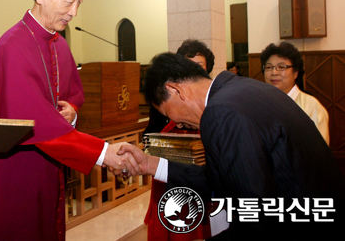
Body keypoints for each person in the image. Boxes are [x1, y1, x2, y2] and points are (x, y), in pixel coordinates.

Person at [0, 0, 137, 241]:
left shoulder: (58, 42)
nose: (73, 12)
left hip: (50, 162)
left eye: (79, 3)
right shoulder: (13, 45)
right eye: (69, 1)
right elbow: (36, 120)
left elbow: (72, 94)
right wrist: (103, 153)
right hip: (15, 169)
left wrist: (72, 109)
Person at [119, 52, 345, 240]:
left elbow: (255, 221)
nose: (177, 123)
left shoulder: (220, 112)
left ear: (177, 91)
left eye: (168, 113)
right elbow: (224, 179)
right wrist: (151, 164)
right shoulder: (243, 89)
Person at [143, 40, 216, 240]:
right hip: (169, 168)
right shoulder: (165, 99)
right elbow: (150, 133)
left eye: (197, 66)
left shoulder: (215, 103)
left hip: (201, 175)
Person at [260, 41, 329, 145]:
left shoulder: (312, 106)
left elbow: (319, 152)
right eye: (269, 67)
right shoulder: (258, 102)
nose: (274, 72)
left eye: (281, 67)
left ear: (296, 73)